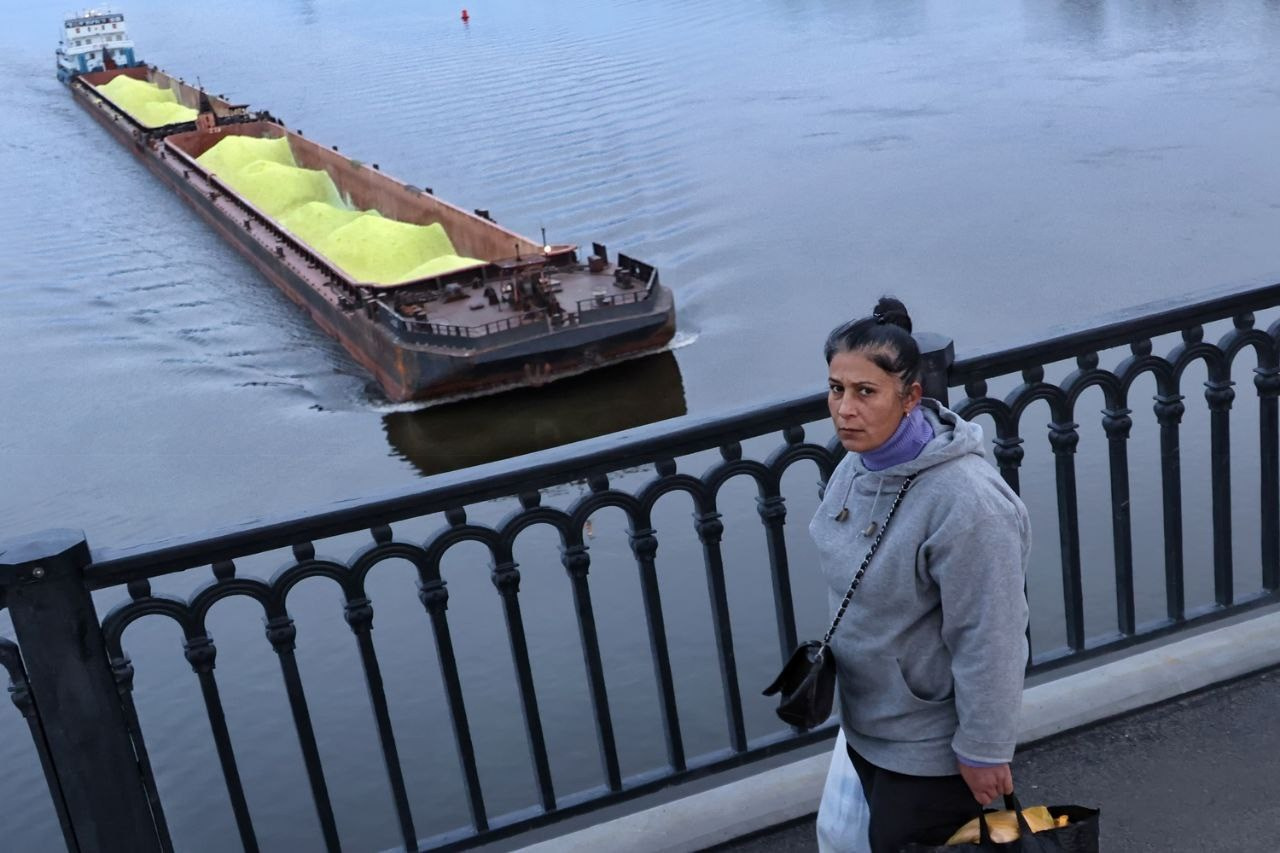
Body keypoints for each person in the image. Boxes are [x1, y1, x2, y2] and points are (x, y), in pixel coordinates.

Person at [810, 296, 1031, 853]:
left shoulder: (968, 504)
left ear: (911, 398)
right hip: (868, 726)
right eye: (837, 389)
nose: (845, 410)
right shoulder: (859, 462)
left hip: (929, 748)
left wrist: (984, 748)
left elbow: (992, 637)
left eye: (865, 392)